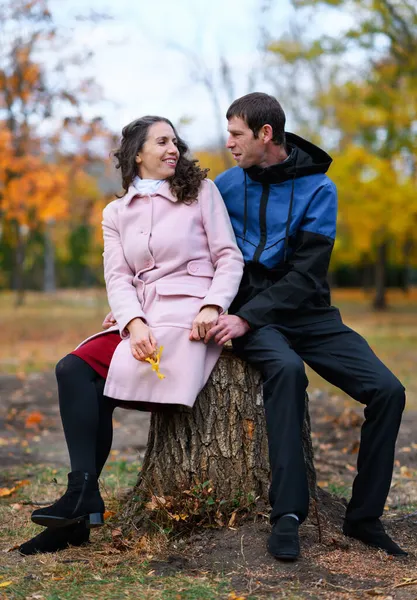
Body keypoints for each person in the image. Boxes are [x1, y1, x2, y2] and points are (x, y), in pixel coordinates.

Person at [18, 115, 244, 555]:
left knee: (100, 382)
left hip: (189, 316)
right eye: (161, 142)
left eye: (175, 141)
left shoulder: (201, 193)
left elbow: (229, 257)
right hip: (142, 315)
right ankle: (81, 497)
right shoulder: (115, 212)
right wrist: (133, 322)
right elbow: (118, 277)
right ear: (137, 153)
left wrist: (213, 306)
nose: (172, 149)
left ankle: (78, 510)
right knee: (74, 369)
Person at [203, 92, 406, 560]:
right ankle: (288, 514)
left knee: (388, 390)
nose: (228, 142)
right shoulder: (225, 187)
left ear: (265, 133)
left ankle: (364, 517)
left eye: (236, 134)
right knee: (288, 372)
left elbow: (307, 273)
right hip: (251, 312)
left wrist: (245, 317)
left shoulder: (319, 189)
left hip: (307, 312)